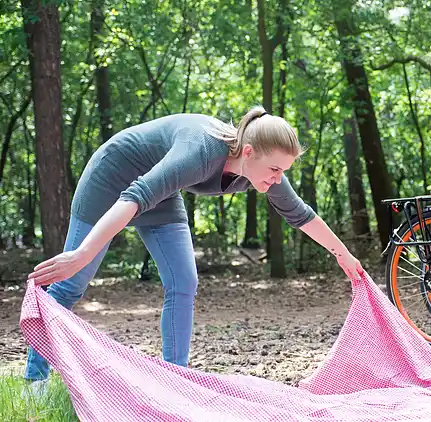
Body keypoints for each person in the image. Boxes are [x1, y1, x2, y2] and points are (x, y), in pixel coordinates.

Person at [24, 108, 365, 384]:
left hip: (158, 190)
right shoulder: (201, 151)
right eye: (276, 169)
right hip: (113, 177)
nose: (278, 179)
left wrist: (344, 255)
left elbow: (300, 214)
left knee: (184, 282)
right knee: (69, 286)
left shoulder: (263, 166)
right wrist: (82, 254)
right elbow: (135, 196)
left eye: (283, 171)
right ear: (248, 152)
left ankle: (177, 380)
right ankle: (34, 383)